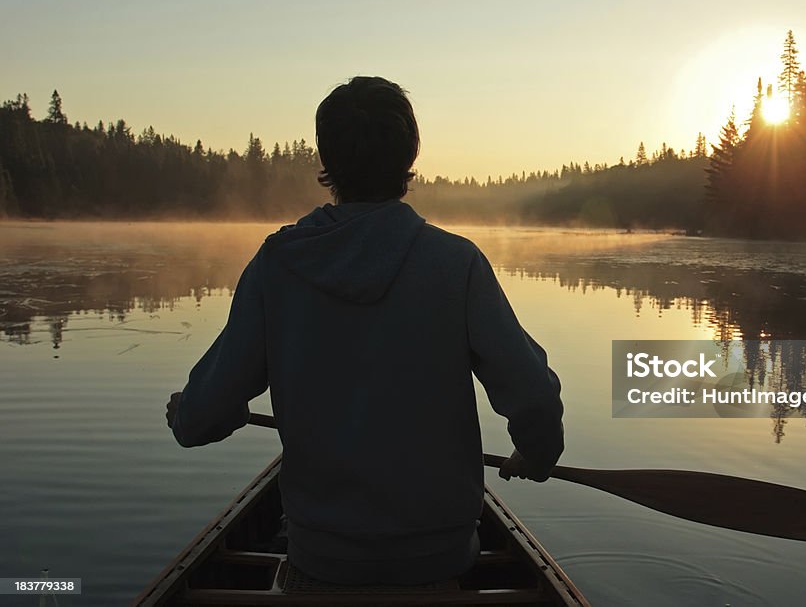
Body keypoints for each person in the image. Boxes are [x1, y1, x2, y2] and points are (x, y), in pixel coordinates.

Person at [164, 76, 564, 586]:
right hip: (440, 556)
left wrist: (195, 414)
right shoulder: (455, 264)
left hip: (323, 558)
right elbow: (532, 395)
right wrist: (537, 451)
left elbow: (202, 420)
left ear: (327, 161)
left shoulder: (278, 265)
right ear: (409, 158)